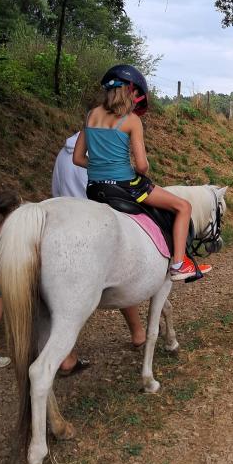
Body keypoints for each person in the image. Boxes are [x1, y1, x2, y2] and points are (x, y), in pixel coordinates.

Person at [73, 64, 211, 282]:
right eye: (137, 94)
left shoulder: (90, 116)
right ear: (131, 91)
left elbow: (78, 158)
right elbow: (142, 166)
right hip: (126, 186)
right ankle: (178, 263)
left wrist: (102, 168)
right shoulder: (131, 120)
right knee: (183, 206)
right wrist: (123, 168)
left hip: (95, 187)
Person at [52, 131, 147, 376]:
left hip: (63, 222)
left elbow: (55, 190)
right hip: (94, 222)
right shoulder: (101, 150)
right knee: (124, 273)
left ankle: (67, 357)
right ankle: (138, 333)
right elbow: (107, 187)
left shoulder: (64, 154)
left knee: (61, 296)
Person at [0, 190, 21, 372]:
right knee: (21, 313)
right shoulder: (12, 229)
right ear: (15, 208)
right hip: (8, 274)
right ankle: (25, 350)